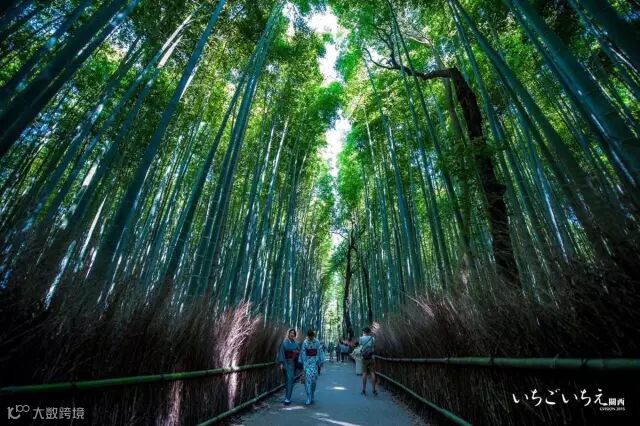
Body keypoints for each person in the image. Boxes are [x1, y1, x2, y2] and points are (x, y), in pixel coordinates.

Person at [300, 329, 324, 405]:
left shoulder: (317, 342)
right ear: (308, 335)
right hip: (307, 363)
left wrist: (321, 361)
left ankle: (312, 394)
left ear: (314, 335)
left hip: (315, 363)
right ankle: (308, 397)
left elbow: (320, 351)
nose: (311, 337)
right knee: (307, 381)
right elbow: (303, 352)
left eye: (312, 336)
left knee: (313, 381)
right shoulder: (305, 342)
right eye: (310, 336)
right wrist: (303, 363)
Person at [276, 328, 300, 405]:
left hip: (292, 363)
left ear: (295, 335)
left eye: (293, 333)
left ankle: (287, 398)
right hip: (285, 362)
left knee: (290, 379)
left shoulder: (296, 343)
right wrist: (281, 363)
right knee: (287, 380)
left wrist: (296, 353)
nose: (292, 334)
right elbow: (281, 353)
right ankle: (287, 397)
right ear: (288, 333)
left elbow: (299, 352)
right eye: (291, 333)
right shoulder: (284, 342)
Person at [359, 327, 377, 396]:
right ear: (369, 332)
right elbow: (373, 346)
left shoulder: (361, 338)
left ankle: (364, 389)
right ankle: (374, 390)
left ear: (364, 332)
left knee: (364, 373)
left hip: (364, 358)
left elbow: (360, 346)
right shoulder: (373, 338)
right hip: (371, 357)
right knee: (372, 373)